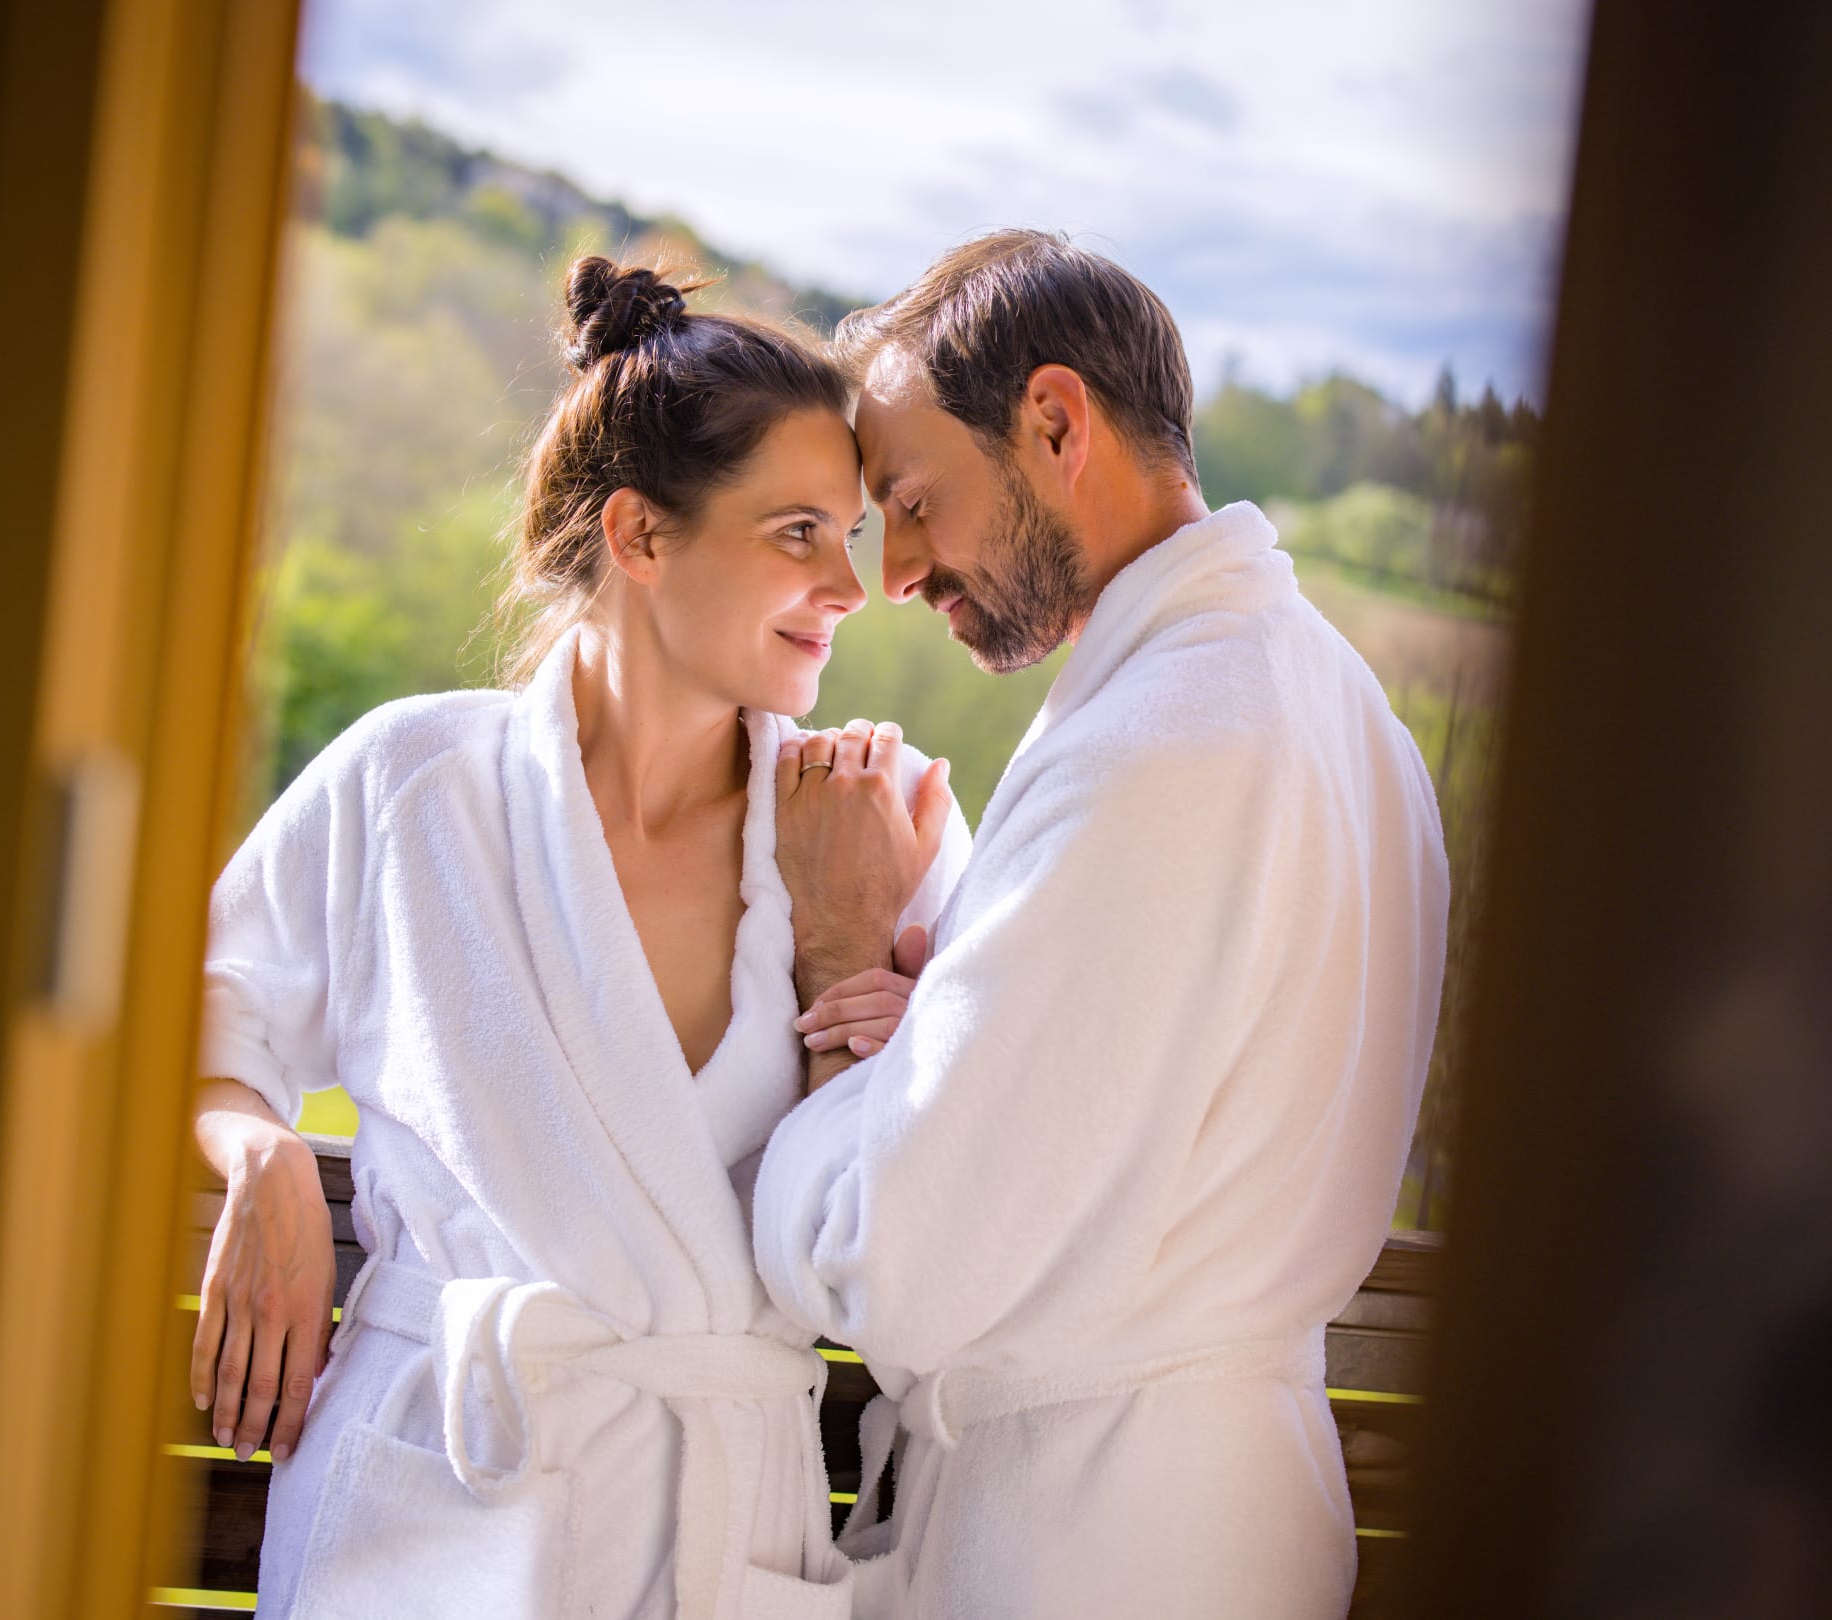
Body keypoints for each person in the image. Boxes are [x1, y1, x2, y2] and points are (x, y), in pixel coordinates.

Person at [188, 257, 968, 1620]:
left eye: (849, 536)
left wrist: (860, 962)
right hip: (438, 1503)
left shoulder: (875, 815)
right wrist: (261, 1155)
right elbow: (194, 1011)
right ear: (639, 535)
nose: (849, 586)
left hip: (717, 1520)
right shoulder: (413, 787)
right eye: (797, 532)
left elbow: (952, 1180)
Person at [754, 231, 1449, 1620]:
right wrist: (934, 1046)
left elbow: (897, 1268)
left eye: (913, 501)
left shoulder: (1157, 750)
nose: (899, 573)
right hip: (1220, 1512)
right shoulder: (1348, 716)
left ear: (1056, 423)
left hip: (1077, 1544)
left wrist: (838, 952)